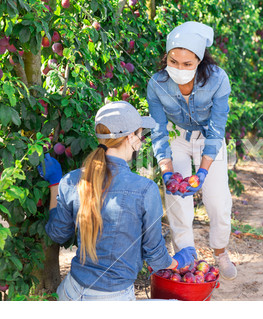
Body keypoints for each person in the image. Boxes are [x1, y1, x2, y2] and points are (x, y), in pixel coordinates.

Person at [38, 101, 197, 301]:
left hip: (70, 292)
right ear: (130, 137)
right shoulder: (144, 190)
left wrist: (55, 184)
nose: (142, 139)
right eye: (140, 133)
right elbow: (156, 258)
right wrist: (178, 261)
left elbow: (57, 233)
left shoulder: (72, 180)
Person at [146, 21, 237, 280]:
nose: (179, 69)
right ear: (166, 58)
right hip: (177, 136)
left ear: (200, 60)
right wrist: (167, 170)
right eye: (173, 62)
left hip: (208, 137)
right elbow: (159, 129)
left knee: (218, 201)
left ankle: (220, 251)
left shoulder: (218, 79)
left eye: (187, 64)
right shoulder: (157, 83)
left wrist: (204, 172)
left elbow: (218, 128)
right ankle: (186, 256)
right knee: (177, 202)